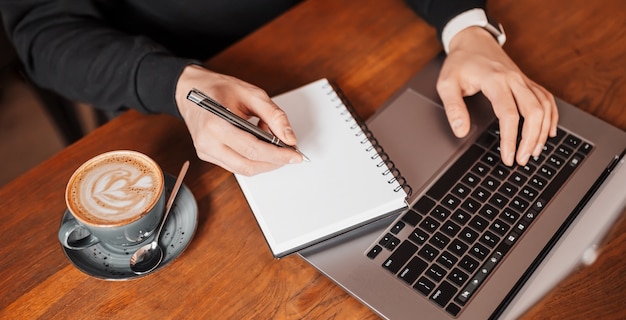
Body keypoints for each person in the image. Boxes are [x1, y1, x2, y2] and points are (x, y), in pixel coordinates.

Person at [0, 0, 557, 175]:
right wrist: (174, 82)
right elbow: (44, 30)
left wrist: (467, 27)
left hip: (344, 28)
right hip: (178, 73)